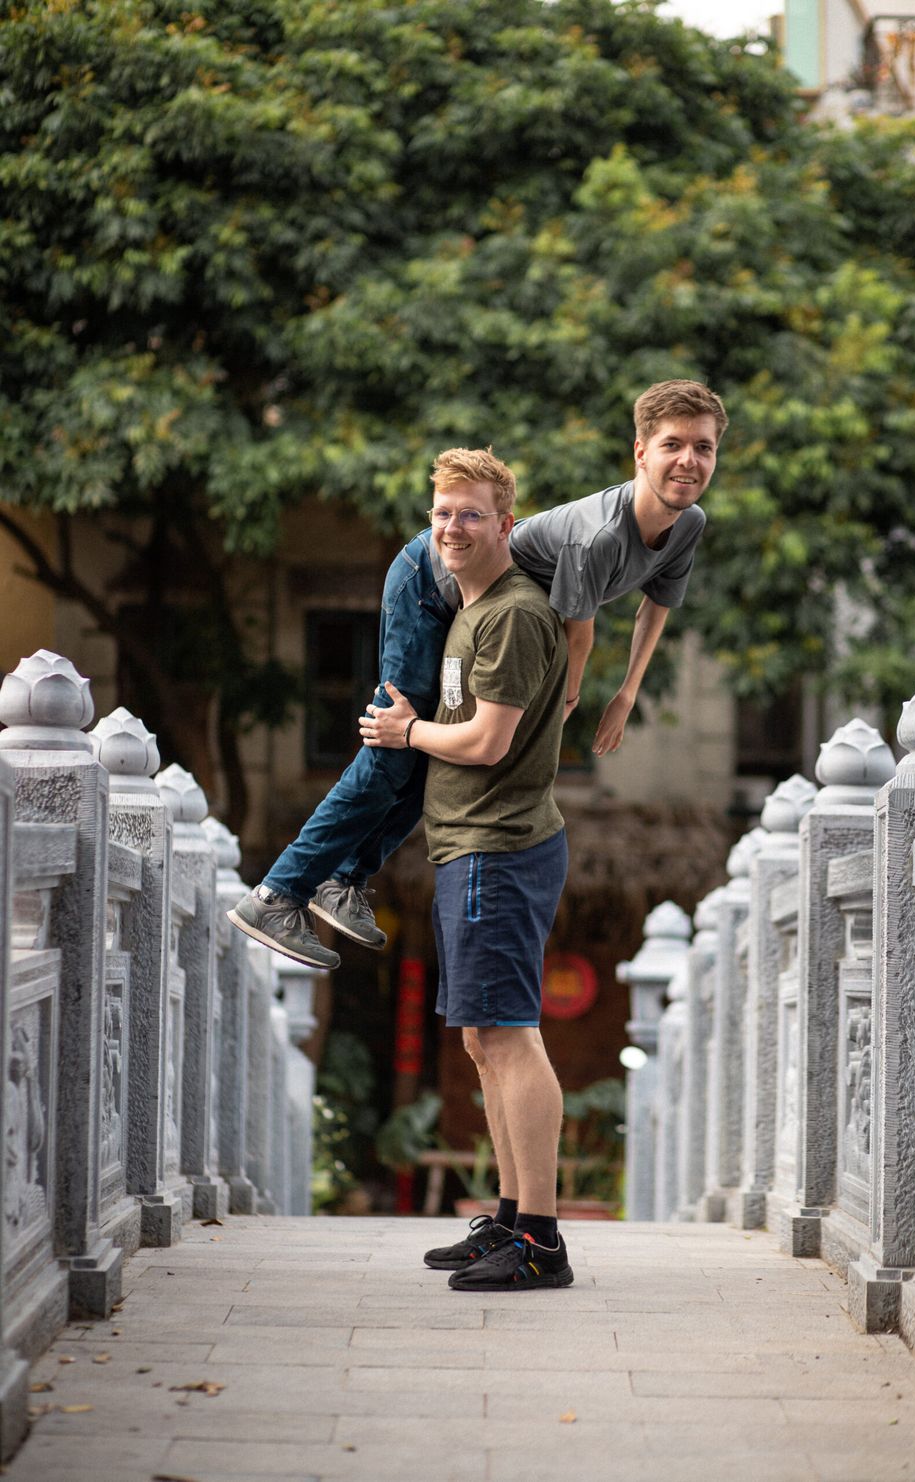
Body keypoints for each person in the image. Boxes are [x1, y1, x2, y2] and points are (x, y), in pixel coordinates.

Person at [228, 379, 726, 967]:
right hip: (430, 582)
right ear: (641, 452)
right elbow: (576, 634)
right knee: (392, 748)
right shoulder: (599, 536)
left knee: (439, 755)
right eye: (673, 445)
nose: (689, 460)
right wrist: (560, 714)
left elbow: (657, 603)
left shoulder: (687, 523)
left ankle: (344, 879)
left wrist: (627, 694)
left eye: (704, 447)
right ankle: (277, 893)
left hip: (479, 608)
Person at [359, 446, 574, 1292]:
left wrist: (405, 734)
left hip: (502, 844)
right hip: (472, 845)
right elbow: (474, 714)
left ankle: (542, 1244)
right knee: (486, 1038)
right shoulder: (473, 611)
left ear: (506, 524)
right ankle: (512, 1221)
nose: (451, 528)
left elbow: (487, 742)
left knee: (511, 1035)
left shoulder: (513, 613)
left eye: (471, 513)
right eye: (440, 513)